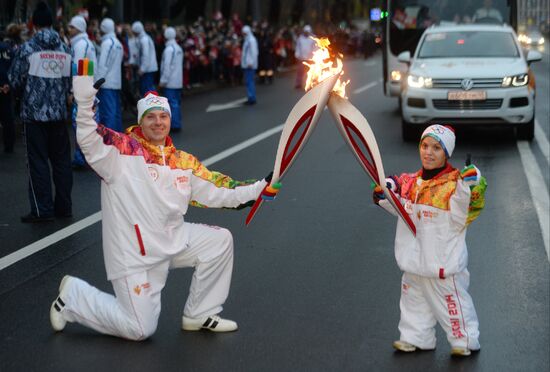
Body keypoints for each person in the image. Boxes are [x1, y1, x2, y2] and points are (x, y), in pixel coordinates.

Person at [49, 68, 276, 340]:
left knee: (220, 241)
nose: (158, 122)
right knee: (140, 329)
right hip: (135, 254)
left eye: (163, 116)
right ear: (141, 122)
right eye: (151, 117)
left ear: (169, 120)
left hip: (172, 241)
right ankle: (74, 297)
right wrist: (85, 105)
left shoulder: (182, 161)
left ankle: (199, 313)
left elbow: (218, 189)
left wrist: (259, 188)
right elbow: (89, 139)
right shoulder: (121, 152)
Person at [372, 124, 487, 357]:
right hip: (413, 264)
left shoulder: (455, 185)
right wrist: (385, 190)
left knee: (453, 307)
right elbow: (393, 189)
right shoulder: (411, 183)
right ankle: (415, 338)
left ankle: (465, 340)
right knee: (413, 305)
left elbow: (471, 203)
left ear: (447, 153)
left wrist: (473, 183)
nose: (428, 152)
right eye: (425, 146)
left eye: (436, 148)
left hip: (442, 266)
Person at [8, 1, 73, 223]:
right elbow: (70, 80)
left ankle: (42, 209)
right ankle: (64, 208)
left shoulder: (27, 49)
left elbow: (15, 80)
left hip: (34, 116)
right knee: (62, 162)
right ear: (52, 23)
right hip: (59, 115)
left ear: (34, 24)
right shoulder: (65, 48)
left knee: (37, 163)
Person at [68, 15, 96, 168]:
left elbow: (78, 69)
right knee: (84, 124)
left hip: (83, 91)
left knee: (80, 124)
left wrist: (73, 91)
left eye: (72, 27)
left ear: (78, 28)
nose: (69, 29)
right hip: (87, 89)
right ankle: (84, 157)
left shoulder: (81, 45)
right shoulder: (84, 43)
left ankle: (82, 159)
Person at [96, 18, 123, 132]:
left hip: (107, 84)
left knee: (108, 114)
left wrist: (97, 83)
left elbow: (103, 65)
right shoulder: (118, 43)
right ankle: (119, 140)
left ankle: (110, 141)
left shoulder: (107, 43)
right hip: (116, 82)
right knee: (116, 113)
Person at [159, 27, 183, 131]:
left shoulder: (169, 50)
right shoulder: (178, 48)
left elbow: (167, 67)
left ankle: (174, 125)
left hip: (170, 82)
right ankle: (176, 123)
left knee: (172, 104)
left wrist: (163, 81)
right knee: (176, 103)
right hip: (178, 81)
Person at [131, 21, 158, 96]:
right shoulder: (145, 38)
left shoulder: (144, 39)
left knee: (148, 91)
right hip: (149, 69)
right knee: (148, 90)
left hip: (147, 70)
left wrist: (142, 69)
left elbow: (145, 55)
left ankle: (152, 106)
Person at [0, 28, 15, 153]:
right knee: (7, 118)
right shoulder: (9, 49)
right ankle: (9, 145)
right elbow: (15, 68)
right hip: (7, 88)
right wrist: (9, 84)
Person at [294, 25, 316, 89]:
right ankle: (298, 84)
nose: (306, 33)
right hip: (302, 58)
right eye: (306, 32)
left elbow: (315, 47)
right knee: (299, 72)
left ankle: (310, 84)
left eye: (308, 32)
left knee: (310, 72)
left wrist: (314, 56)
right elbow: (298, 47)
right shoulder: (300, 38)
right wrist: (297, 55)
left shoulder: (313, 38)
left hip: (310, 59)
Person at [241, 25, 258, 105]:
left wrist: (251, 62)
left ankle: (252, 98)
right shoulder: (247, 40)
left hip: (250, 65)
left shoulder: (251, 40)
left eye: (244, 33)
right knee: (248, 81)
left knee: (250, 81)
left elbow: (254, 52)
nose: (243, 34)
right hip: (247, 64)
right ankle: (250, 97)